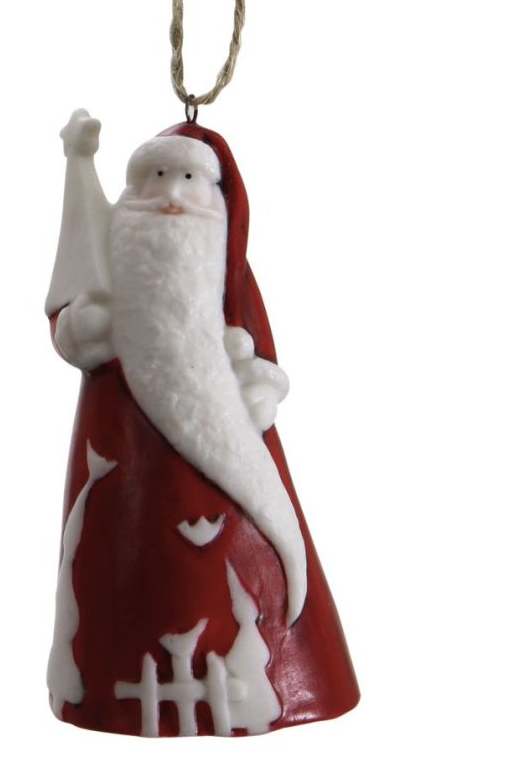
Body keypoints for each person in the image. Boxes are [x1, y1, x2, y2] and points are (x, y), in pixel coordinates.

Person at [44, 110, 359, 737]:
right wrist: (84, 327)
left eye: (188, 180)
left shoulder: (224, 276)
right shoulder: (113, 263)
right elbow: (73, 304)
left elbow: (257, 351)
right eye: (156, 178)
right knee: (123, 560)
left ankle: (271, 678)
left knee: (233, 577)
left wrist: (256, 385)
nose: (171, 197)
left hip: (226, 456)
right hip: (124, 453)